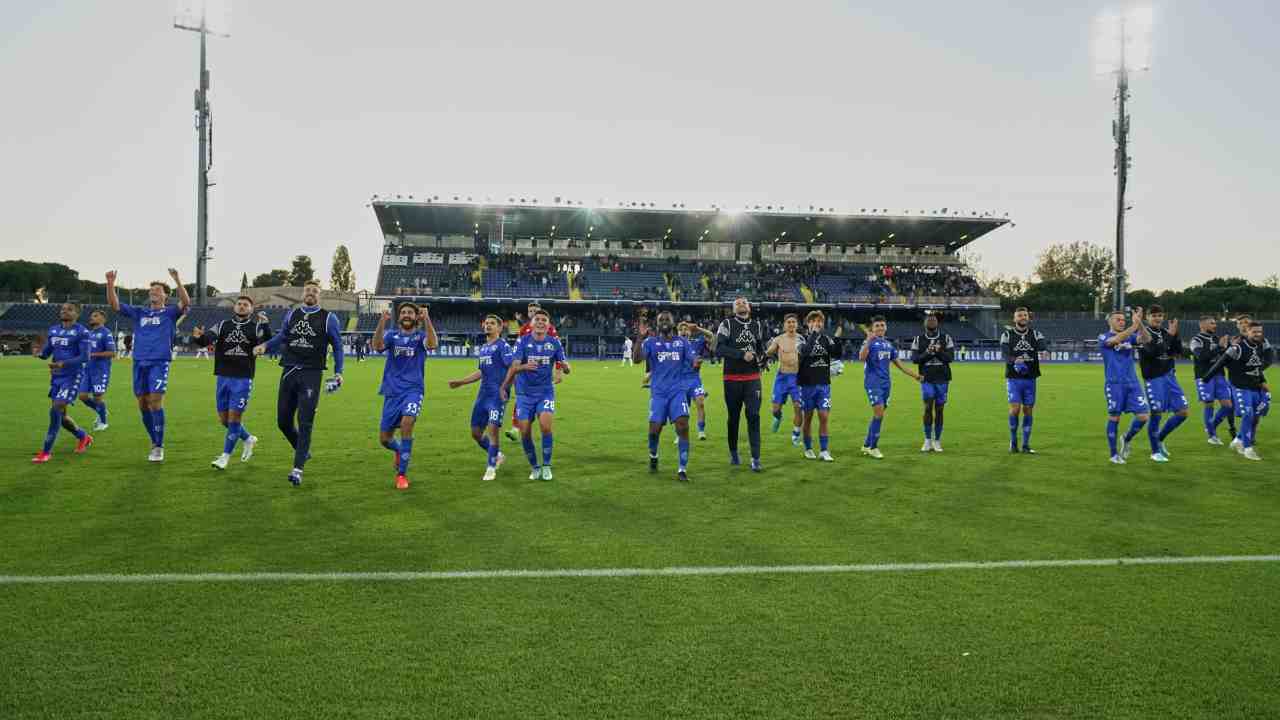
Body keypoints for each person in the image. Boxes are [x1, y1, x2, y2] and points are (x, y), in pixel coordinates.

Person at [253, 280, 345, 487]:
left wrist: (339, 372)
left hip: (311, 374)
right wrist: (265, 346)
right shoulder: (292, 314)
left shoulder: (329, 318)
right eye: (308, 290)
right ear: (303, 294)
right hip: (289, 370)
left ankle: (297, 469)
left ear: (319, 296)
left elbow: (338, 347)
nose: (311, 293)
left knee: (305, 422)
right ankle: (303, 451)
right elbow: (283, 337)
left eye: (315, 291)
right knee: (283, 422)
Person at [106, 268, 191, 462]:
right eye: (151, 290)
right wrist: (110, 284)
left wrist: (177, 280)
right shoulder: (139, 312)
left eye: (157, 290)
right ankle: (154, 440)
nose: (153, 292)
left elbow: (186, 302)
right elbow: (115, 305)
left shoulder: (170, 313)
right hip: (139, 361)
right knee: (143, 403)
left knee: (155, 401)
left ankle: (158, 446)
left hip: (159, 362)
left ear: (165, 296)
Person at [190, 296, 273, 470]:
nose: (242, 307)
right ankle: (248, 439)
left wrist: (265, 325)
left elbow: (267, 343)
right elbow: (206, 340)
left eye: (246, 305)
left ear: (251, 309)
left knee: (235, 418)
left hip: (242, 378)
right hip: (222, 377)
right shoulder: (222, 325)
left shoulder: (256, 327)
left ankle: (225, 456)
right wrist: (198, 337)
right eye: (239, 304)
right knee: (224, 420)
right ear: (234, 307)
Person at [371, 302, 438, 490]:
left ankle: (401, 475)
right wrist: (381, 323)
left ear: (416, 317)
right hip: (392, 392)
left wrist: (428, 320)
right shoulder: (392, 336)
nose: (406, 315)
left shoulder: (421, 337)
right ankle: (400, 450)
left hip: (413, 390)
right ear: (398, 317)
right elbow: (377, 347)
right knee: (385, 439)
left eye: (410, 312)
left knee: (408, 422)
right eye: (403, 312)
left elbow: (433, 345)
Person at [501, 309, 570, 480]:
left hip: (545, 392)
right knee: (524, 432)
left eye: (544, 320)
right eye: (537, 319)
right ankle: (535, 467)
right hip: (524, 394)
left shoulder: (554, 343)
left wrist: (565, 368)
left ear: (548, 324)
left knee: (546, 427)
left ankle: (546, 466)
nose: (540, 322)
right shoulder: (522, 342)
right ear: (532, 323)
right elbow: (514, 366)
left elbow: (563, 362)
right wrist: (524, 367)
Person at [448, 314, 512, 481]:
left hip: (497, 396)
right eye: (486, 323)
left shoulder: (503, 346)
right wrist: (461, 382)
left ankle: (491, 468)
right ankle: (497, 455)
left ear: (500, 328)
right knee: (476, 433)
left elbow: (513, 368)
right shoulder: (484, 348)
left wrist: (505, 388)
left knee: (492, 430)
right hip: (483, 395)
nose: (488, 326)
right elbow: (482, 372)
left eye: (492, 323)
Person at [635, 311, 698, 481]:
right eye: (660, 320)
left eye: (666, 319)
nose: (663, 321)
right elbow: (636, 360)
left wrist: (696, 362)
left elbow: (693, 362)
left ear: (673, 322)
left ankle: (682, 469)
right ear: (656, 324)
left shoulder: (682, 342)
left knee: (683, 426)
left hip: (678, 391)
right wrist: (640, 338)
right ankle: (653, 456)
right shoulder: (651, 342)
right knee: (654, 430)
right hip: (659, 393)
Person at [31, 302, 94, 463]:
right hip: (57, 377)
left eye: (69, 309)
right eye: (63, 309)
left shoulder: (82, 332)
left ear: (77, 314)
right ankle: (83, 437)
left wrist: (63, 364)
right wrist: (39, 353)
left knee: (56, 408)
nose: (65, 311)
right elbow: (47, 353)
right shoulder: (54, 330)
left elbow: (85, 357)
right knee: (63, 417)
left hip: (73, 376)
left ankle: (46, 452)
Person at [1204, 320, 1273, 460]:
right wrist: (1206, 379)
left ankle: (1238, 440)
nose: (1257, 334)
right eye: (1254, 332)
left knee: (1260, 411)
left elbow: (1256, 367)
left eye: (1259, 332)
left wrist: (1262, 381)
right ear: (1247, 332)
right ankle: (1247, 449)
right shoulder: (1237, 348)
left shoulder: (1260, 346)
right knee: (1248, 414)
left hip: (1256, 386)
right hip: (1241, 387)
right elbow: (1221, 362)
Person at [715, 297, 769, 471]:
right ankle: (734, 452)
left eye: (744, 302)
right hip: (732, 379)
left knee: (754, 416)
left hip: (752, 378)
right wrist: (741, 354)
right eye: (737, 303)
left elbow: (761, 348)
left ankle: (756, 458)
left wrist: (763, 359)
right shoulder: (727, 324)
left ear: (749, 307)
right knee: (734, 418)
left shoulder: (758, 325)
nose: (741, 304)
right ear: (733, 309)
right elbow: (720, 348)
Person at [858, 315, 921, 459]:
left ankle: (867, 444)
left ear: (885, 327)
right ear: (872, 329)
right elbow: (861, 358)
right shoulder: (870, 343)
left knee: (878, 415)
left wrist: (915, 376)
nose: (880, 328)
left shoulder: (888, 345)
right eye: (877, 326)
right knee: (879, 413)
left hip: (886, 385)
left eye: (882, 325)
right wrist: (868, 340)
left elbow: (900, 365)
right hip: (873, 383)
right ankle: (874, 447)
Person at [1100, 308, 1153, 464]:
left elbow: (1147, 339)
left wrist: (1140, 323)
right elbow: (1114, 341)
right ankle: (1113, 454)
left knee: (1143, 416)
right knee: (1114, 417)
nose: (1122, 322)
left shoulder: (1130, 338)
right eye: (1118, 319)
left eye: (1123, 320)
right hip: (1114, 384)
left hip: (1132, 383)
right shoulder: (1103, 336)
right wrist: (1133, 327)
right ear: (1110, 321)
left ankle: (1126, 438)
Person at [1137, 305, 1189, 461]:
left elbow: (1177, 352)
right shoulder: (1144, 333)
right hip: (1154, 378)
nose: (1157, 318)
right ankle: (1155, 452)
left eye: (1160, 315)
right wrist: (1169, 337)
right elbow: (1153, 351)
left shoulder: (1166, 333)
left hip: (1170, 377)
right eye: (1154, 315)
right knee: (1157, 414)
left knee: (1182, 412)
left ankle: (1159, 438)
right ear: (1147, 317)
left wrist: (1175, 334)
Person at [505, 303, 561, 442]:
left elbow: (558, 350)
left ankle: (528, 426)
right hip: (525, 372)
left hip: (543, 373)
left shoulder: (551, 330)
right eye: (530, 311)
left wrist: (558, 370)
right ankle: (516, 428)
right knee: (520, 399)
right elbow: (519, 352)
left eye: (535, 310)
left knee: (539, 404)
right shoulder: (524, 329)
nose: (532, 313)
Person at [1001, 306, 1048, 454]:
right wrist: (1016, 360)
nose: (1022, 317)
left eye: (1025, 315)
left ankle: (1026, 445)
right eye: (1019, 315)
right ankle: (1013, 442)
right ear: (1014, 319)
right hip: (1014, 378)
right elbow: (1005, 355)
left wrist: (1045, 351)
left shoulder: (1036, 334)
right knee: (1015, 409)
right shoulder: (1007, 335)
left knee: (1028, 410)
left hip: (1030, 378)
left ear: (1029, 318)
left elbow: (1042, 346)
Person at [910, 313, 955, 453]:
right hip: (927, 378)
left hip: (943, 378)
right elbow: (915, 359)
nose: (931, 321)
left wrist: (938, 351)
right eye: (929, 320)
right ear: (924, 323)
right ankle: (927, 440)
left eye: (934, 319)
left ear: (937, 323)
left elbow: (950, 358)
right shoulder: (918, 339)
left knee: (940, 409)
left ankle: (937, 441)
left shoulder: (946, 338)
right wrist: (929, 352)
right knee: (928, 406)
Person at [798, 310, 839, 461]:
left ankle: (824, 450)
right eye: (814, 321)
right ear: (808, 324)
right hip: (807, 385)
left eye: (820, 321)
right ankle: (808, 448)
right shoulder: (802, 339)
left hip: (823, 384)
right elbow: (806, 352)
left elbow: (836, 354)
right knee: (807, 418)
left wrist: (837, 339)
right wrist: (814, 335)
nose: (817, 324)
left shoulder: (827, 339)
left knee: (823, 416)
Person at [1189, 316, 1236, 444]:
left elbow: (1225, 356)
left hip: (1220, 375)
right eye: (1212, 323)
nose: (1215, 325)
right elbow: (1201, 357)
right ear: (1202, 325)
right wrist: (1219, 347)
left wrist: (1230, 346)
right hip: (1204, 376)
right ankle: (1212, 436)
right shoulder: (1195, 340)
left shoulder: (1216, 339)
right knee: (1209, 404)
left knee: (1228, 406)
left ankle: (1211, 426)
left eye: (1215, 323)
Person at [1229, 314, 1271, 450]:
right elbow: (1228, 362)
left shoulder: (1261, 340)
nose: (1244, 324)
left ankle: (1245, 437)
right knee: (1242, 410)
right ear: (1238, 326)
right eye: (1241, 323)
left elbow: (1268, 359)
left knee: (1256, 411)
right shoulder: (1235, 341)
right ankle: (1238, 436)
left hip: (1256, 380)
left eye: (1246, 322)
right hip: (1238, 382)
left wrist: (1257, 373)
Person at [766, 314, 804, 446]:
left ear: (797, 325)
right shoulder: (778, 339)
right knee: (775, 409)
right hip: (781, 377)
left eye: (794, 322)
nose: (791, 324)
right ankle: (778, 416)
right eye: (789, 322)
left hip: (797, 378)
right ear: (784, 325)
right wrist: (769, 350)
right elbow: (769, 352)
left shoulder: (801, 340)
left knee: (798, 407)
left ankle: (795, 435)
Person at [77, 310, 115, 431]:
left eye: (95, 316)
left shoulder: (106, 333)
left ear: (103, 319)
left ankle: (103, 422)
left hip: (100, 370)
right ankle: (102, 410)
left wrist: (93, 355)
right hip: (87, 370)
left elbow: (112, 352)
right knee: (82, 396)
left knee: (97, 397)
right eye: (91, 315)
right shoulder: (89, 333)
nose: (91, 317)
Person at [677, 320, 716, 441]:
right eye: (681, 330)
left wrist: (698, 328)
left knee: (700, 403)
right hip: (680, 382)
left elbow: (711, 336)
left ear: (690, 332)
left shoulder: (696, 343)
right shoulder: (673, 345)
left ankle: (701, 430)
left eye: (686, 329)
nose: (684, 331)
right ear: (678, 333)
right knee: (682, 411)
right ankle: (679, 435)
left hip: (694, 380)